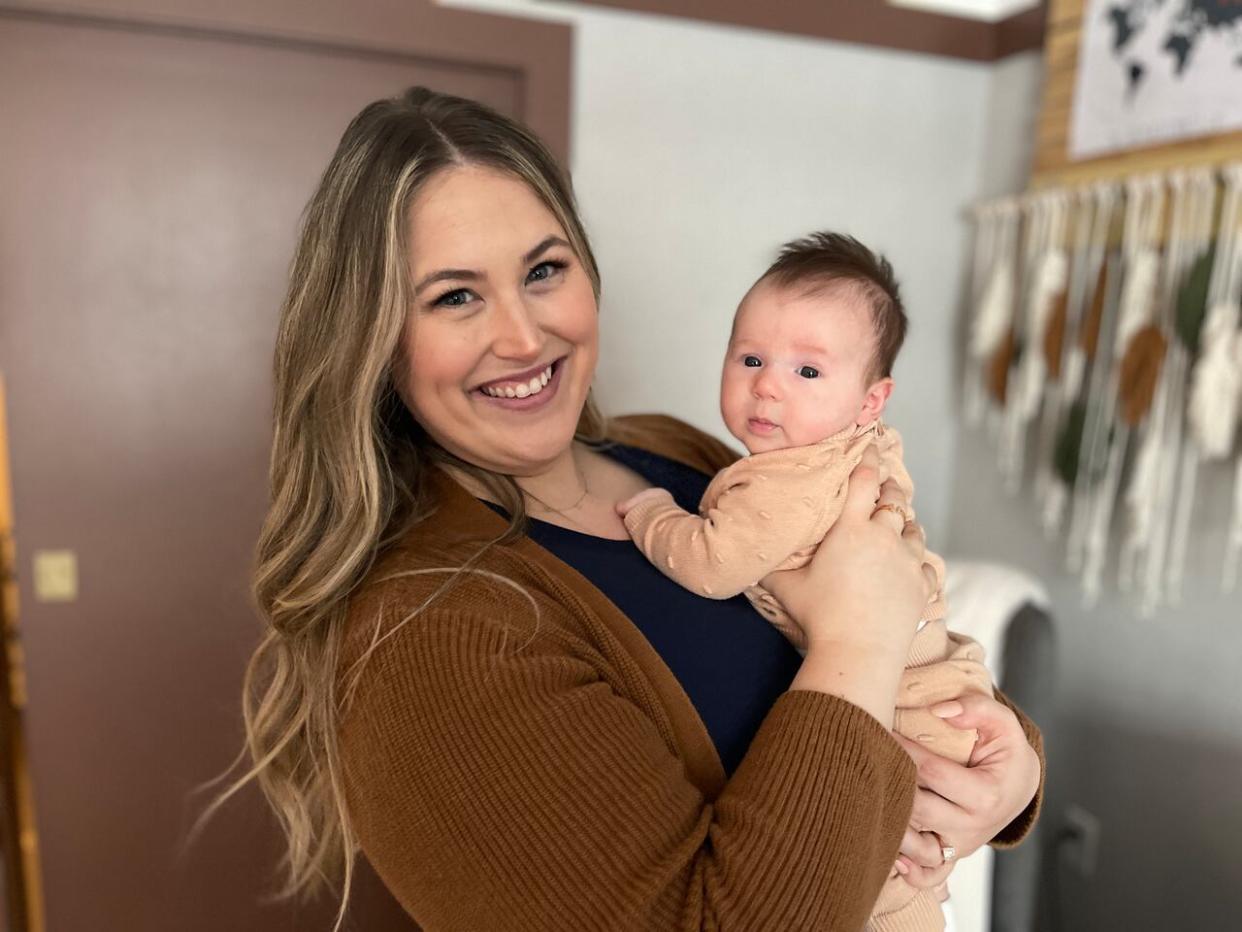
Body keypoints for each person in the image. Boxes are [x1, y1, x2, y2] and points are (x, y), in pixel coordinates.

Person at [222, 86, 1044, 931]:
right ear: (373, 337)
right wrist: (858, 639)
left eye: (544, 271)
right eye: (455, 296)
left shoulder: (676, 455)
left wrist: (1012, 770)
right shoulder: (436, 632)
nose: (523, 338)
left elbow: (908, 641)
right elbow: (864, 629)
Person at [618, 232, 997, 931]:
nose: (767, 385)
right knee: (896, 871)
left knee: (880, 883)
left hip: (903, 703)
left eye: (808, 372)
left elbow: (711, 565)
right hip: (934, 679)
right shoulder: (862, 453)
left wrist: (651, 515)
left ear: (870, 400)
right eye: (752, 358)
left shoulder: (786, 482)